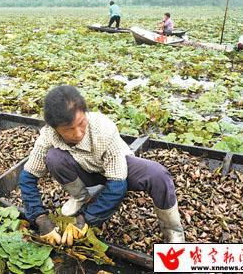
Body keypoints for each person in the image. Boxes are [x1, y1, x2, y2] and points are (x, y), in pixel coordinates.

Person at [19, 85, 185, 246]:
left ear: (85, 113)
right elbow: (28, 176)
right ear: (55, 128)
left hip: (117, 169)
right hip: (85, 170)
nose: (78, 133)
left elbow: (118, 186)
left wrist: (85, 219)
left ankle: (173, 230)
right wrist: (40, 219)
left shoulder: (103, 129)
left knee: (158, 175)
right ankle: (80, 197)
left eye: (81, 123)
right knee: (54, 157)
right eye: (68, 129)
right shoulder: (48, 135)